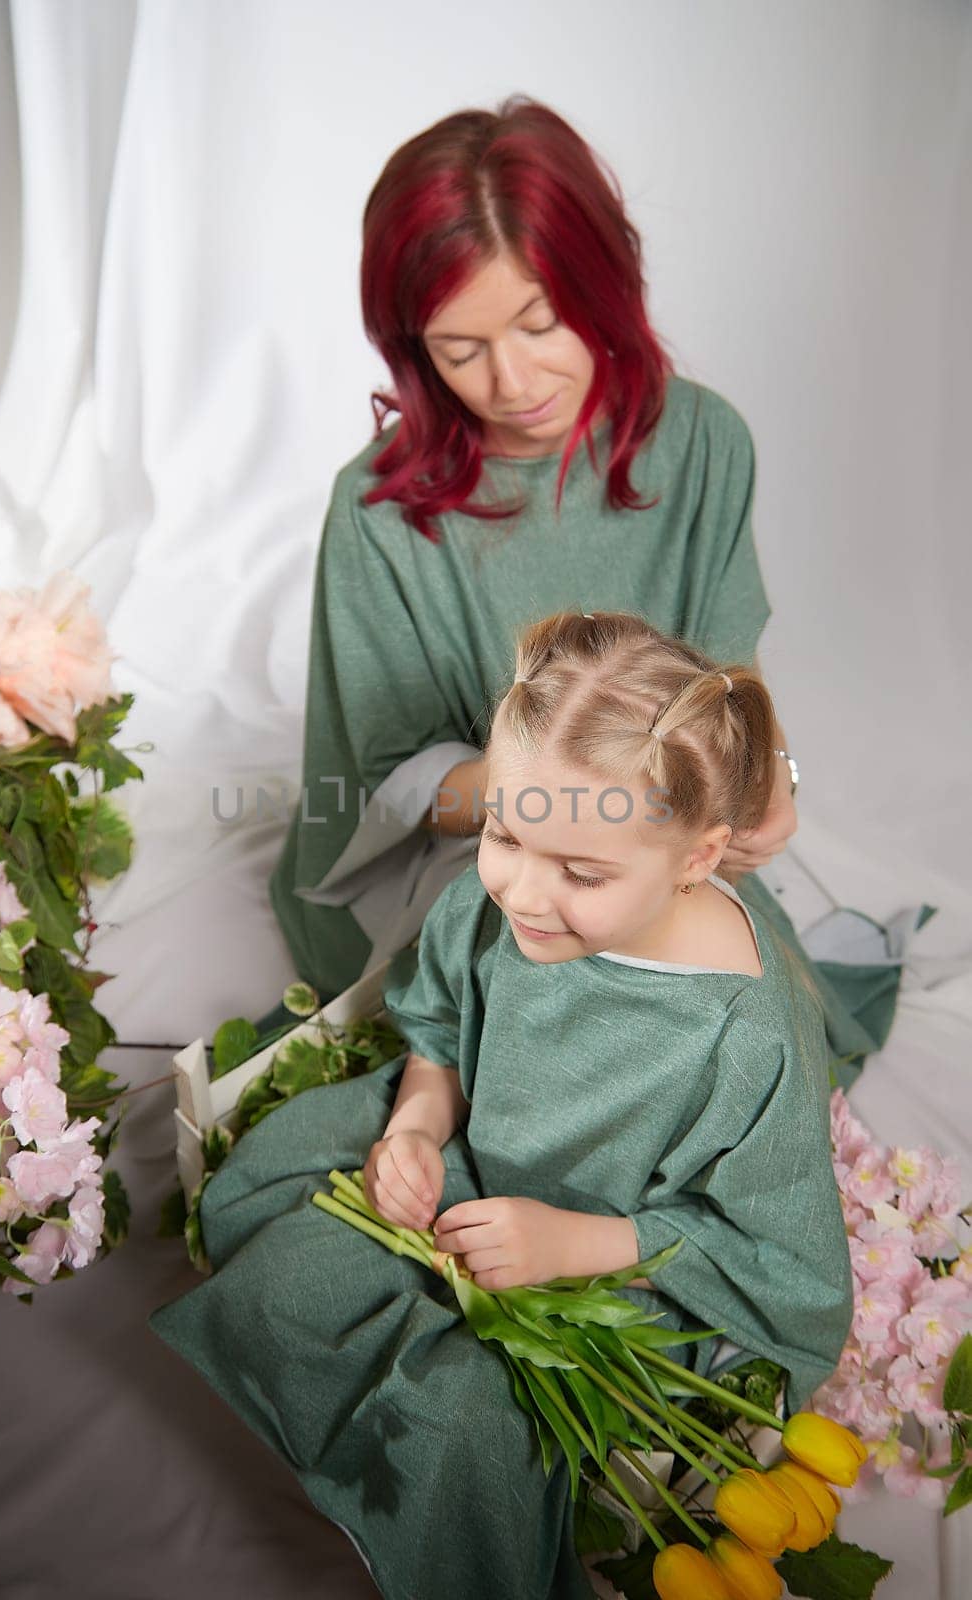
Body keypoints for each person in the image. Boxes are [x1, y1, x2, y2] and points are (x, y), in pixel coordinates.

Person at [151, 612, 853, 1600]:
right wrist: (417, 1126)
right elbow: (438, 1023)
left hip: (624, 1263)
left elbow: (769, 1251)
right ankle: (339, 1445)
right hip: (476, 1158)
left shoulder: (745, 1033)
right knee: (284, 1181)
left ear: (696, 859)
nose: (522, 891)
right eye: (505, 832)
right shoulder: (504, 898)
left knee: (463, 1421)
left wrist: (572, 1243)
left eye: (581, 872)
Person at [263, 97, 901, 1074]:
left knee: (747, 1046)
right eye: (458, 348)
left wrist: (764, 770)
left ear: (599, 284)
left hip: (649, 839)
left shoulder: (700, 444)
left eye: (539, 322)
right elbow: (395, 789)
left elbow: (729, 680)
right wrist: (591, 805)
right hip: (476, 856)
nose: (510, 381)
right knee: (547, 1056)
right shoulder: (380, 511)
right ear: (410, 348)